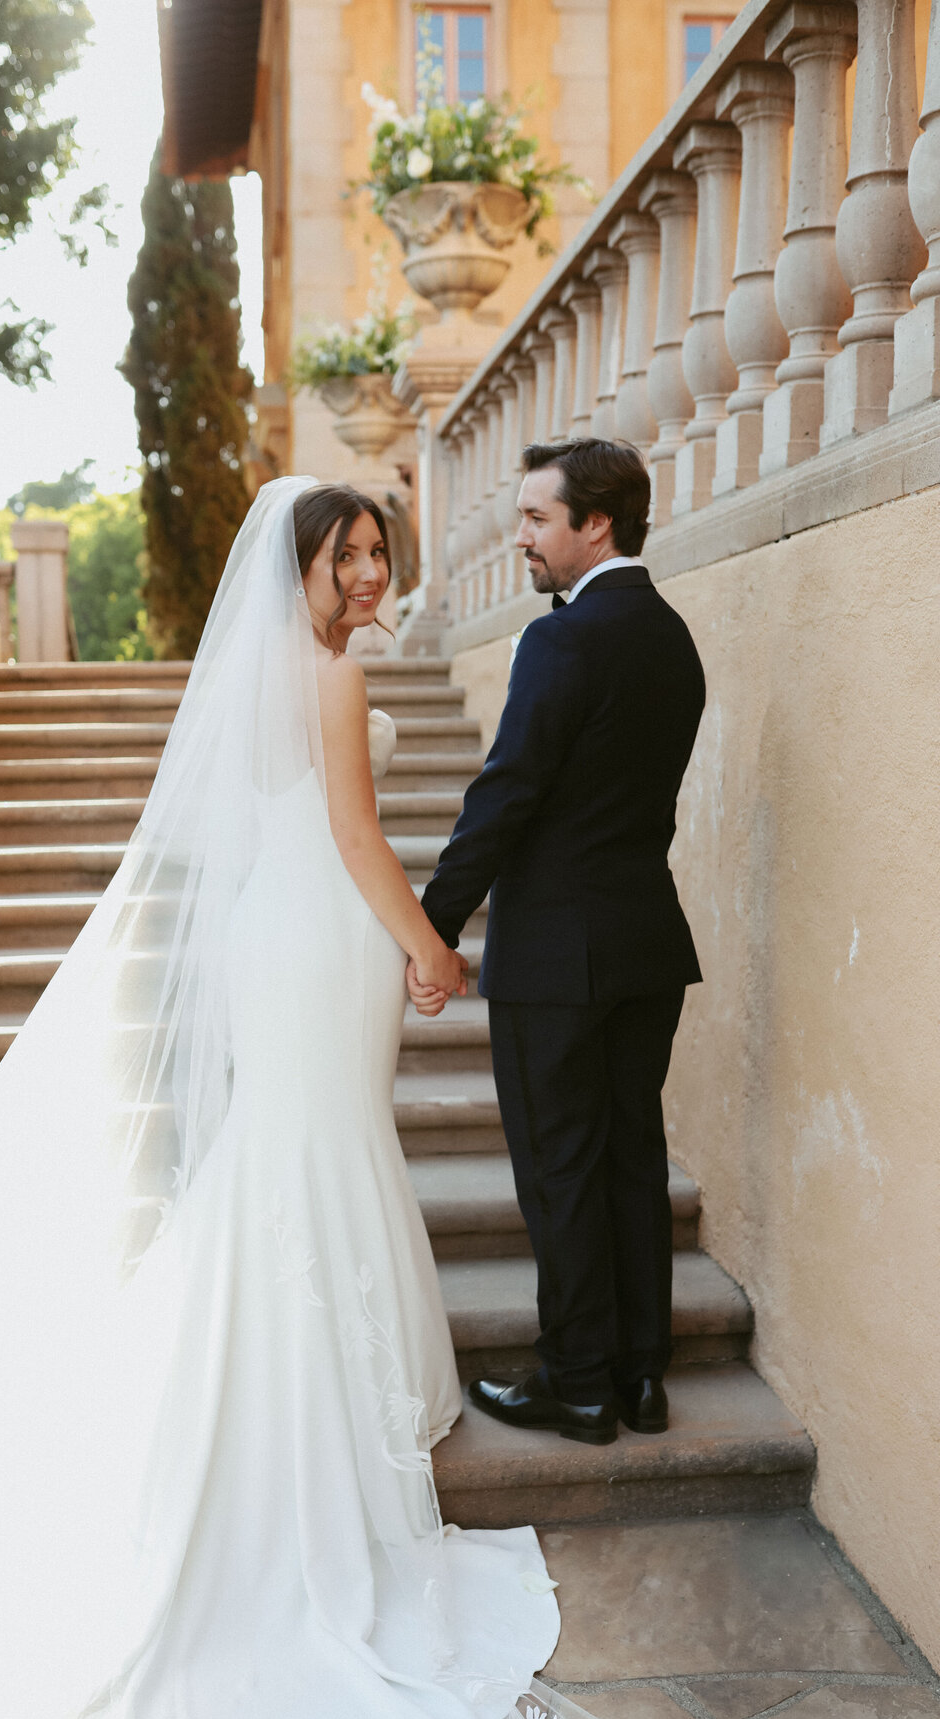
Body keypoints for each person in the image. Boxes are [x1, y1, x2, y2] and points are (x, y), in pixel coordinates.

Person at [0, 478, 644, 1719]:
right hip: (326, 932)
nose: (371, 576)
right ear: (305, 565)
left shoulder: (287, 671)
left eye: (380, 554)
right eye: (351, 556)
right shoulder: (328, 679)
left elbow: (301, 834)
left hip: (282, 934)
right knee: (308, 1162)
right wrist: (432, 947)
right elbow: (351, 834)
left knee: (295, 1164)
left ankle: (300, 1404)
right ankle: (295, 1440)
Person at [413, 440, 705, 1449]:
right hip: (645, 946)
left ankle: (577, 1382)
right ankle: (639, 1375)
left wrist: (431, 926)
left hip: (559, 959)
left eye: (537, 519)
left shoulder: (566, 640)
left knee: (562, 1167)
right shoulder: (672, 635)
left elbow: (507, 793)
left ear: (597, 523)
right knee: (630, 1157)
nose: (521, 537)